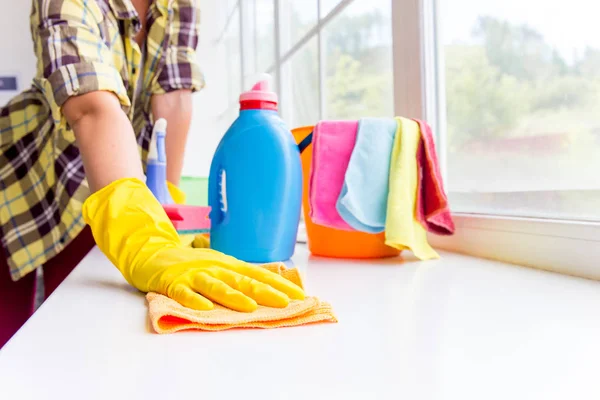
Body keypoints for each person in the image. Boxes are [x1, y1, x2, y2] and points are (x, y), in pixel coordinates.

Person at [0, 0, 304, 349]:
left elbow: (173, 98)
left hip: (102, 180)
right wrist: (147, 242)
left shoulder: (177, 5)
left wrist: (165, 206)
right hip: (20, 179)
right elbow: (90, 108)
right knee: (8, 333)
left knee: (81, 328)